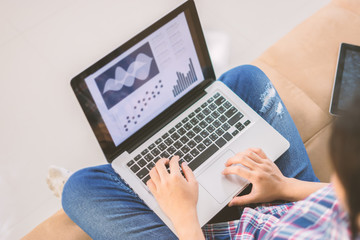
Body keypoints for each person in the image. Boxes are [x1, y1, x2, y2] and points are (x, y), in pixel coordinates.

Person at [62, 65, 360, 239]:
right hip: (289, 210)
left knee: (80, 190)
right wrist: (285, 185)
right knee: (246, 79)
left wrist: (185, 217)